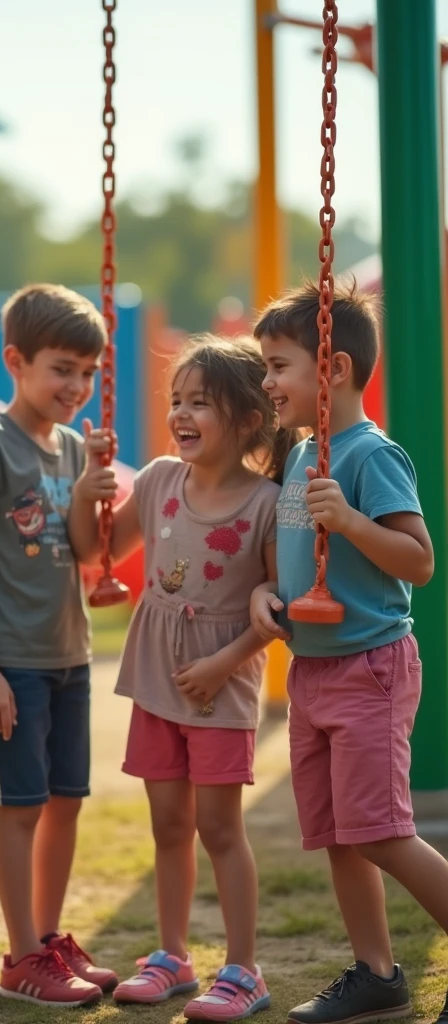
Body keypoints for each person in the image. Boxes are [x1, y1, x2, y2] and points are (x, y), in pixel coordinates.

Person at [70, 335, 298, 1021]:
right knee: (168, 823)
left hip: (220, 681)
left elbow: (278, 608)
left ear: (250, 419)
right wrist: (88, 487)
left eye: (202, 402)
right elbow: (93, 549)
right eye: (178, 401)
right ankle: (171, 956)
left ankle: (243, 969)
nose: (183, 413)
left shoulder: (267, 502)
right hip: (158, 673)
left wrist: (222, 665)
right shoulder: (162, 479)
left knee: (219, 828)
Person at [250, 280, 448, 1024]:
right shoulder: (302, 456)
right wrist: (265, 596)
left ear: (329, 369)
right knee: (340, 835)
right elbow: (292, 558)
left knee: (386, 835)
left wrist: (357, 523)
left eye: (278, 366)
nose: (267, 382)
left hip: (369, 668)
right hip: (314, 671)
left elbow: (419, 561)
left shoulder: (371, 454)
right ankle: (377, 974)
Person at [0, 283, 117, 1008]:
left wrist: (89, 492)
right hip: (10, 660)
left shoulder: (74, 445)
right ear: (16, 361)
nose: (76, 387)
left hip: (68, 654)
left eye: (87, 373)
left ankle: (48, 940)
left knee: (66, 801)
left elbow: (82, 550)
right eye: (61, 369)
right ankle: (21, 956)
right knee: (21, 807)